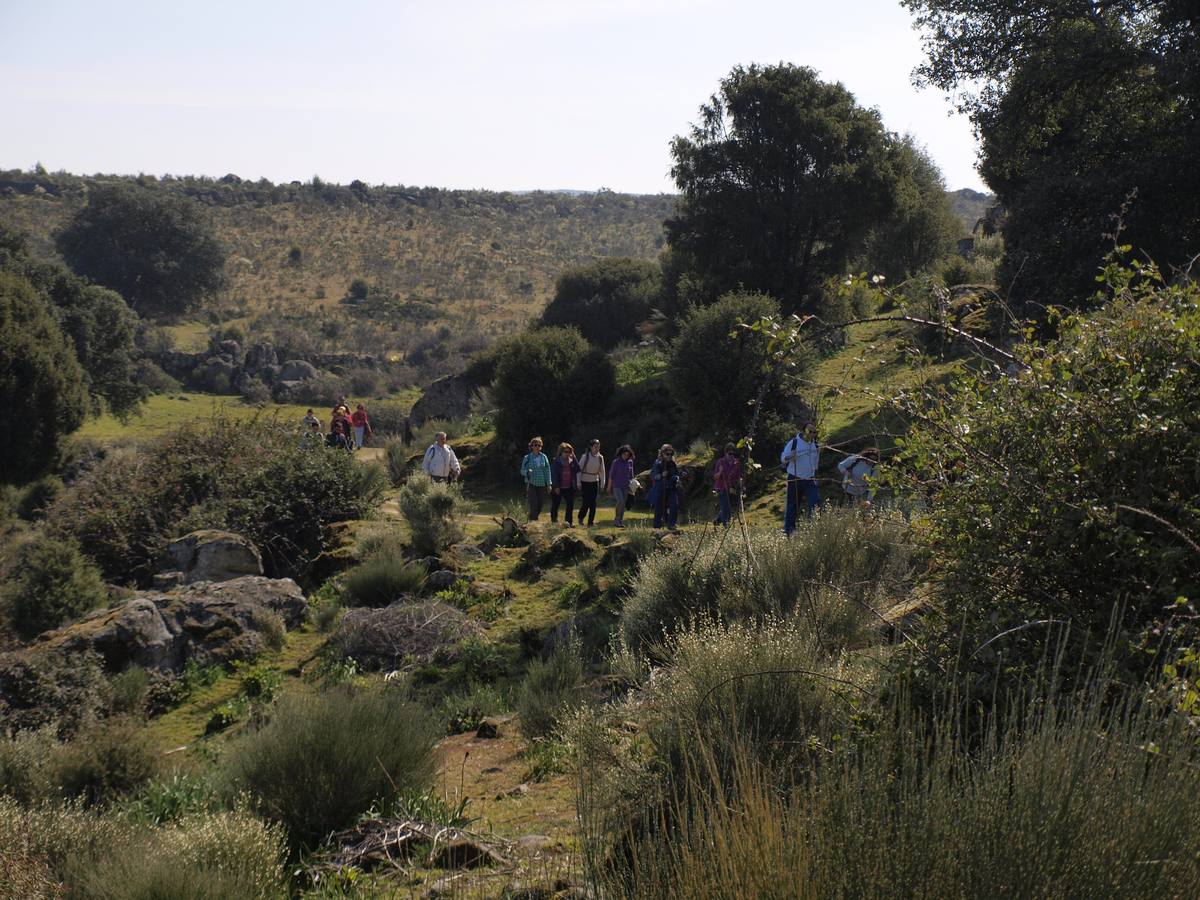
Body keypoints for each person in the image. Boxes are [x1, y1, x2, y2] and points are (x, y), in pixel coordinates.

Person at [781, 421, 821, 533]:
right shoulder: (794, 443)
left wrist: (815, 478)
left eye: (814, 432)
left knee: (815, 502)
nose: (812, 434)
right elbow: (783, 458)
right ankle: (789, 532)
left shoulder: (816, 446)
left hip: (810, 479)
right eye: (810, 431)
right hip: (795, 478)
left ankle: (812, 530)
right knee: (792, 506)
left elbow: (816, 465)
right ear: (804, 431)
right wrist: (790, 456)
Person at [648, 444, 680, 531]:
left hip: (671, 488)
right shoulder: (658, 463)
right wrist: (661, 475)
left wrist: (677, 478)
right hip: (660, 488)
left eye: (671, 454)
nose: (669, 456)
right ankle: (657, 527)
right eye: (667, 454)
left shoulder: (673, 464)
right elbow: (653, 475)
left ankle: (671, 524)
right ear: (662, 454)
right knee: (659, 508)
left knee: (674, 505)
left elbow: (676, 474)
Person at [520, 437, 552, 521]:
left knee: (540, 504)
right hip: (531, 483)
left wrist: (549, 484)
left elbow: (547, 470)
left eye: (539, 445)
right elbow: (522, 470)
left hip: (541, 484)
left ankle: (531, 518)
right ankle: (534, 522)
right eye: (535, 445)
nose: (537, 446)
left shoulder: (544, 457)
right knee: (534, 504)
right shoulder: (527, 457)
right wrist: (527, 472)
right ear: (531, 446)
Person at [576, 439, 606, 526]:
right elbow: (579, 470)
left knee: (593, 503)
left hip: (594, 482)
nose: (597, 449)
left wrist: (602, 483)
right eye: (595, 447)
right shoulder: (585, 457)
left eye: (598, 447)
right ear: (591, 447)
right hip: (585, 482)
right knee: (586, 502)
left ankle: (590, 522)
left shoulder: (600, 458)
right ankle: (581, 517)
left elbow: (602, 472)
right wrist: (578, 483)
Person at [549, 442, 580, 526]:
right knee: (556, 504)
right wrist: (556, 487)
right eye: (565, 452)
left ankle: (569, 522)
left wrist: (574, 458)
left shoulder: (572, 461)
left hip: (569, 487)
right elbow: (553, 475)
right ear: (561, 452)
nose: (567, 454)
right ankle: (554, 520)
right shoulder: (556, 462)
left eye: (569, 452)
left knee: (570, 504)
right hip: (558, 487)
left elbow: (578, 469)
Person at [712, 443, 741, 528]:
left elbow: (738, 476)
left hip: (731, 488)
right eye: (729, 453)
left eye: (733, 454)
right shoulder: (720, 462)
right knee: (726, 507)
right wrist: (720, 472)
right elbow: (715, 477)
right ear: (725, 453)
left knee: (728, 507)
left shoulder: (736, 463)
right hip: (721, 488)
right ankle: (726, 525)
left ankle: (717, 520)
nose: (731, 456)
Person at [608, 445, 636, 528]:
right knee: (620, 501)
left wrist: (633, 486)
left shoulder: (630, 462)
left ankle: (620, 521)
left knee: (623, 503)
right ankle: (617, 519)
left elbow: (631, 476)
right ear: (621, 454)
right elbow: (611, 475)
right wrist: (609, 486)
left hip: (626, 486)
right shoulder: (616, 462)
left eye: (627, 455)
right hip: (616, 485)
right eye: (624, 454)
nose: (625, 456)